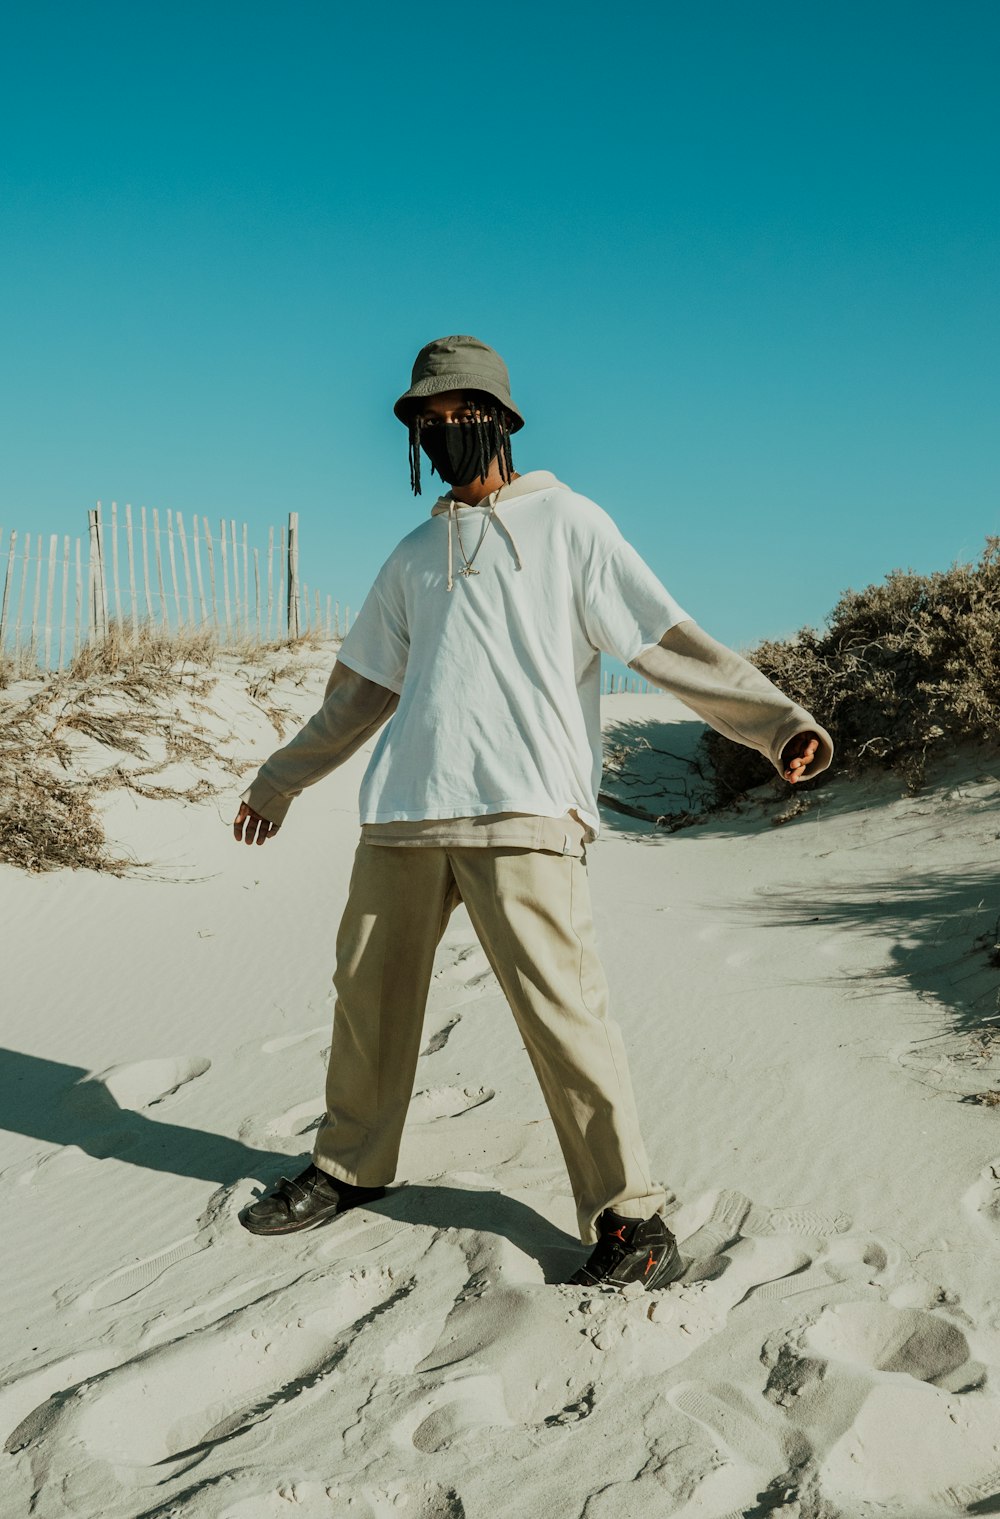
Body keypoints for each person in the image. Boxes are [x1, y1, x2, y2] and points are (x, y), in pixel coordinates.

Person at [233, 334, 833, 1290]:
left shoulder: (572, 525)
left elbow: (667, 642)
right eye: (424, 423)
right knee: (366, 1001)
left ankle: (630, 1217)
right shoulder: (412, 553)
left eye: (455, 416)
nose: (439, 434)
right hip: (404, 812)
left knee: (566, 1017)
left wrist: (773, 722)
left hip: (526, 809)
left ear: (501, 420)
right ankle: (350, 1165)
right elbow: (356, 697)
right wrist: (278, 780)